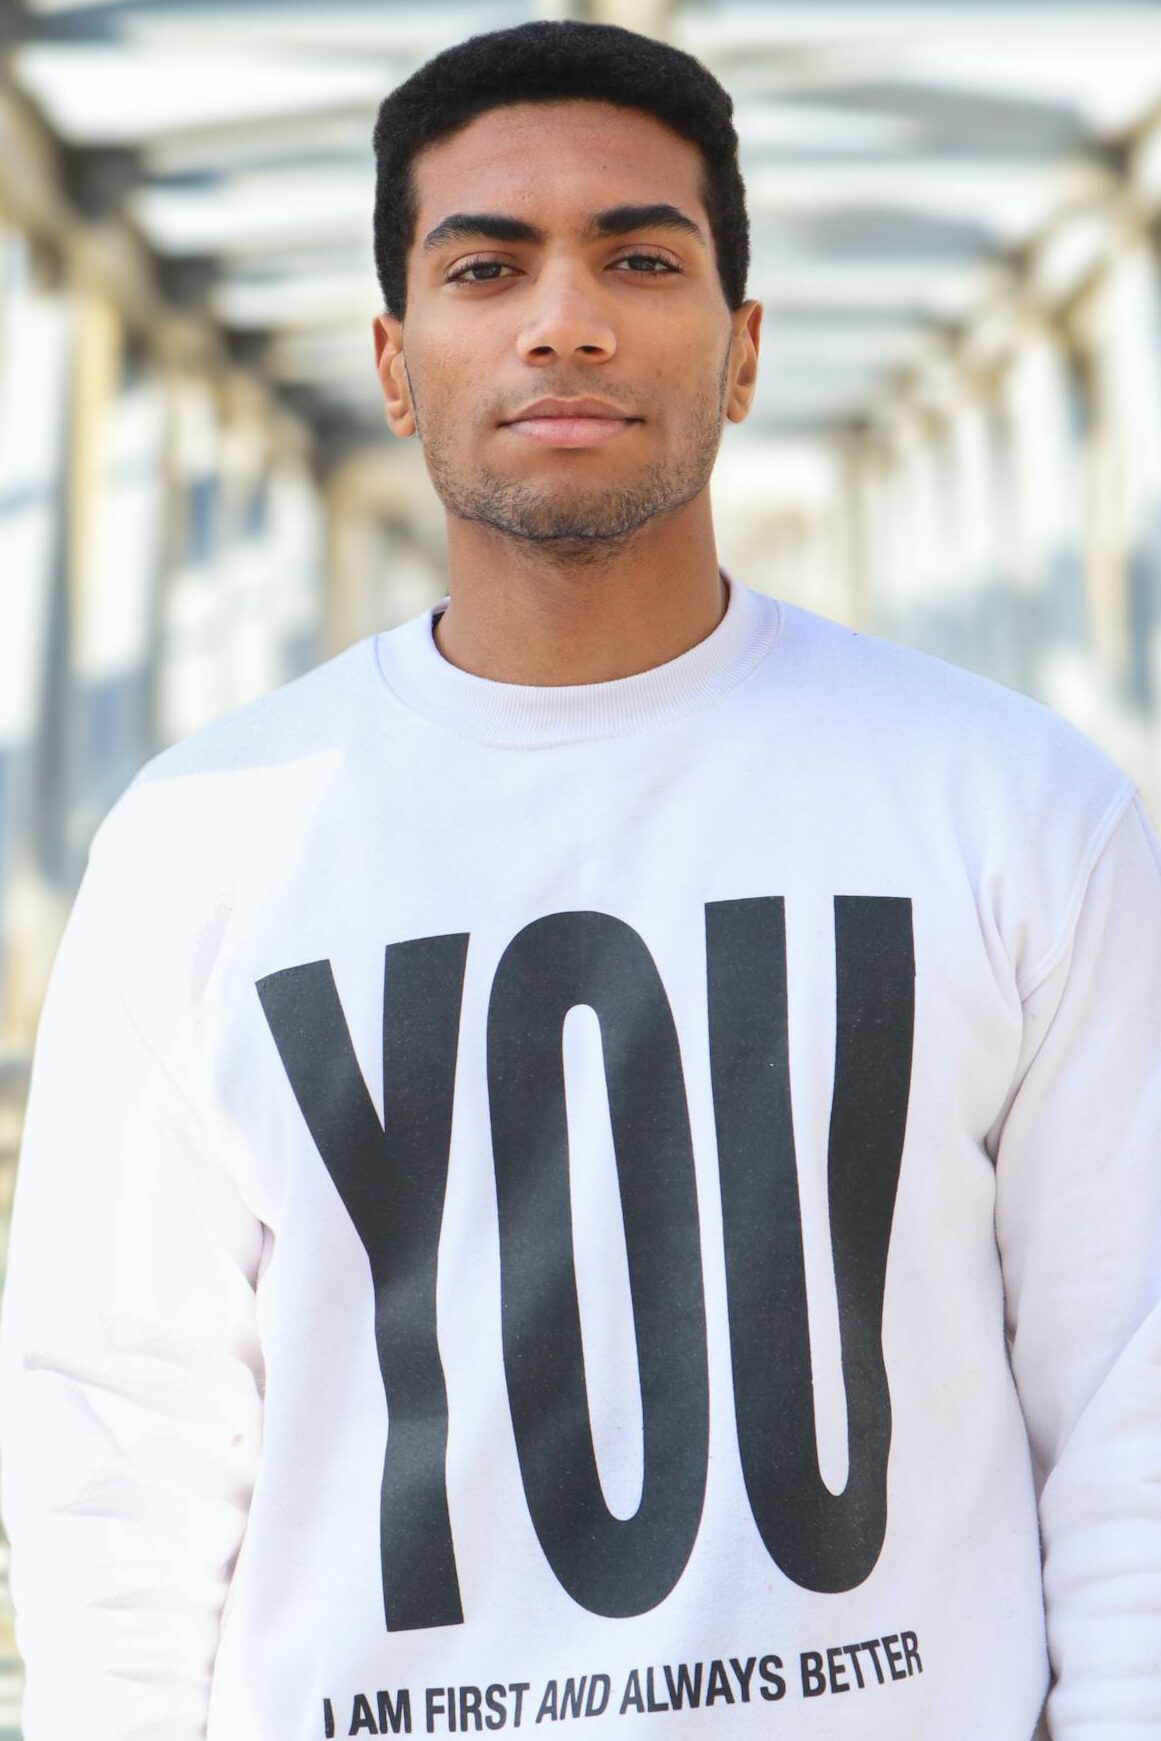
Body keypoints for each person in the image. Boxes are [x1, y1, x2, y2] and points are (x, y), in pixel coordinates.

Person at [0, 18, 1158, 1741]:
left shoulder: (1014, 807)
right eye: (487, 265)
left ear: (742, 348)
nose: (565, 317)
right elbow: (118, 1449)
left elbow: (1129, 1403)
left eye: (638, 254)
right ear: (394, 365)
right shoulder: (200, 844)